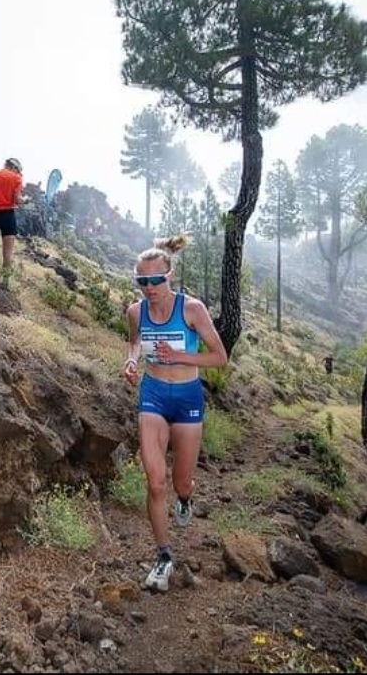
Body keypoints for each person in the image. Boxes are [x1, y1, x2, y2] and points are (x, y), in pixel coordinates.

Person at [123, 236, 229, 592]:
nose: (150, 288)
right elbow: (136, 340)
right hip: (152, 394)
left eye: (156, 281)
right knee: (155, 481)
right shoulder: (135, 312)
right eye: (143, 282)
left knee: (180, 482)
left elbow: (219, 358)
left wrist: (180, 355)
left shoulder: (192, 310)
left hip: (187, 397)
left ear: (170, 276)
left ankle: (185, 499)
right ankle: (163, 556)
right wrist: (132, 360)